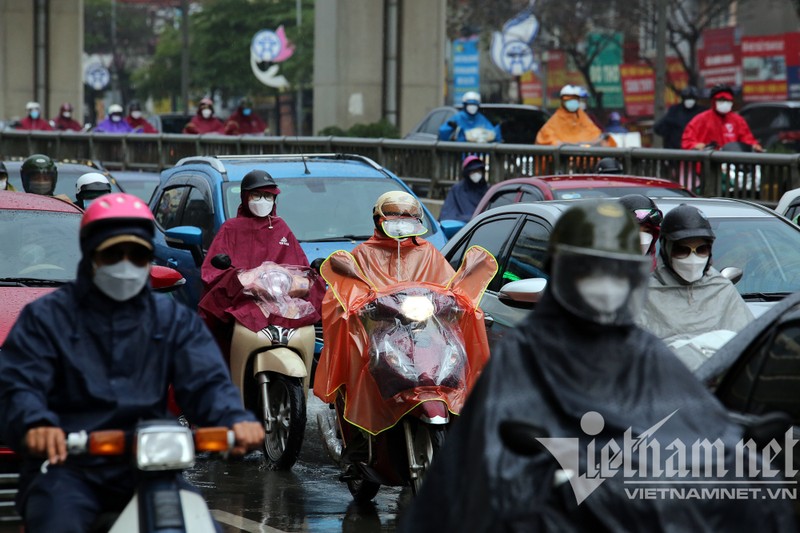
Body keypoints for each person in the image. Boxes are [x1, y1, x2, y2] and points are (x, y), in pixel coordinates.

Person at [398, 200, 795, 532]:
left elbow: (695, 423)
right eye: (589, 271)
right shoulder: (527, 355)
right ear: (561, 270)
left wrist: (736, 442)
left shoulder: (644, 351)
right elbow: (487, 473)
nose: (605, 284)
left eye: (617, 270)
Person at [0, 193, 264, 532]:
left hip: (151, 469)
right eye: (112, 254)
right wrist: (36, 424)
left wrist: (233, 418)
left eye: (137, 254)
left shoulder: (171, 320)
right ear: (91, 255)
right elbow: (19, 386)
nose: (125, 264)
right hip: (66, 470)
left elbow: (207, 381)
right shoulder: (45, 319)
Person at [198, 169, 323, 355]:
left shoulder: (281, 227)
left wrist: (302, 279)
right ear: (245, 197)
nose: (262, 201)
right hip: (244, 300)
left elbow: (300, 265)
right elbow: (213, 272)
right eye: (256, 195)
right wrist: (242, 280)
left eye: (267, 196)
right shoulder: (231, 228)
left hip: (282, 301)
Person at [637, 203, 754, 370]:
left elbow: (749, 343)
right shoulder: (643, 294)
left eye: (701, 249)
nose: (693, 258)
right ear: (666, 248)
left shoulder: (722, 289)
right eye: (682, 250)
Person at [682, 84, 763, 152]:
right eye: (721, 100)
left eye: (728, 100)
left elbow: (747, 139)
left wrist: (754, 146)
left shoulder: (738, 120)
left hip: (732, 164)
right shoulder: (701, 119)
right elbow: (687, 140)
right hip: (707, 164)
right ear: (714, 101)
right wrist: (696, 145)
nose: (725, 103)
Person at [535, 85, 614, 146]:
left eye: (575, 99)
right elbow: (546, 137)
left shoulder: (582, 117)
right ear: (562, 101)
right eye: (568, 99)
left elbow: (594, 133)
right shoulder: (555, 120)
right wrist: (558, 144)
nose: (572, 102)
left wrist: (600, 140)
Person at [618, 193, 662, 271]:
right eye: (635, 230)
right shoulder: (599, 272)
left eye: (647, 231)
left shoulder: (660, 275)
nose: (642, 239)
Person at [437, 91, 503, 143]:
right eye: (470, 104)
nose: (472, 107)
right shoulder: (458, 118)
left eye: (474, 105)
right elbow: (443, 132)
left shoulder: (481, 118)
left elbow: (492, 132)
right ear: (465, 105)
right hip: (461, 154)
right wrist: (453, 129)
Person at [439, 155, 488, 222]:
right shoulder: (457, 190)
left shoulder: (487, 190)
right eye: (473, 171)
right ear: (467, 173)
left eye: (478, 171)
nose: (476, 174)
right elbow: (447, 216)